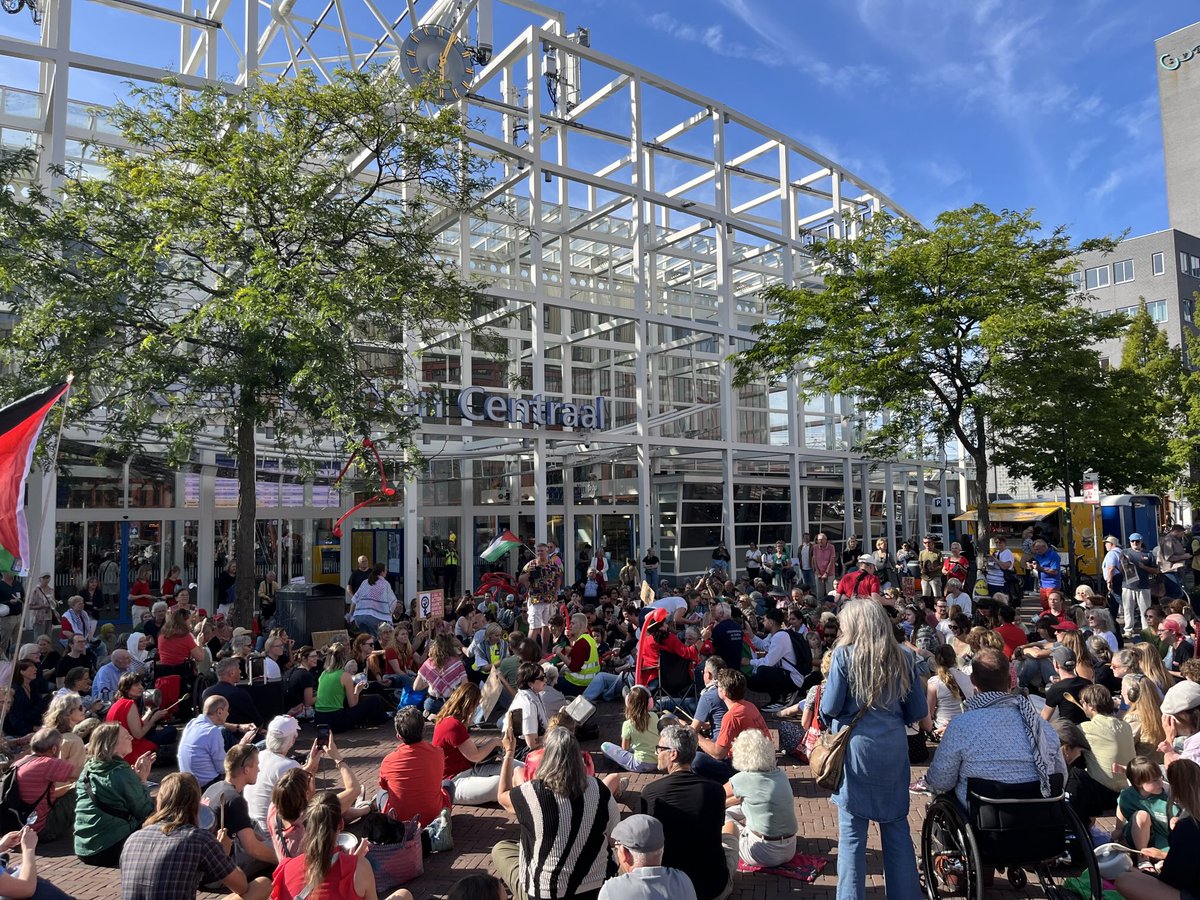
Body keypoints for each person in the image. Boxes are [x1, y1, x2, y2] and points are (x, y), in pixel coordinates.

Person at [819, 599, 926, 900]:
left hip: (855, 751)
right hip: (892, 747)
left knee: (852, 835)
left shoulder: (843, 656)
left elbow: (830, 707)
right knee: (896, 829)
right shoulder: (904, 657)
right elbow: (916, 709)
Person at [922, 648, 1067, 809]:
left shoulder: (961, 725)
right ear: (1010, 680)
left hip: (984, 814)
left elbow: (941, 780)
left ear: (973, 680)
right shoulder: (1040, 725)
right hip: (1038, 812)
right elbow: (1061, 774)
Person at [493, 726, 618, 900]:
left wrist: (509, 752)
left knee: (501, 849)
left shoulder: (531, 793)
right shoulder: (600, 790)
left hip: (544, 893)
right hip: (595, 890)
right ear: (577, 756)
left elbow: (502, 796)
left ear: (546, 757)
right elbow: (613, 837)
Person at [639, 724, 731, 900]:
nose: (657, 752)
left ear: (673, 754)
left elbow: (649, 842)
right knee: (730, 834)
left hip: (670, 887)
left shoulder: (651, 793)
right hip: (712, 887)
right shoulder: (716, 790)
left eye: (660, 749)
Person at [270, 791, 412, 900]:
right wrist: (354, 863)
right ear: (341, 824)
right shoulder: (360, 867)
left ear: (307, 827)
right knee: (404, 895)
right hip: (353, 867)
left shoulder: (285, 868)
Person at [1112, 758, 1200, 900]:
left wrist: (1163, 857)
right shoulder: (1188, 821)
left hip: (1191, 891)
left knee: (1124, 880)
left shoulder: (1187, 827)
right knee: (1133, 874)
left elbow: (1173, 879)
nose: (1161, 783)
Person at [74, 723, 155, 866]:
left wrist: (133, 779)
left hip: (83, 848)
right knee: (161, 819)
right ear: (112, 745)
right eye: (126, 736)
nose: (131, 737)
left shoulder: (88, 767)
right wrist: (142, 780)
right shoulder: (120, 771)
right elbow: (144, 810)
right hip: (109, 849)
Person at [199, 743, 277, 880]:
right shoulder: (234, 799)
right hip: (218, 873)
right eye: (256, 765)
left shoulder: (215, 787)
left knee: (255, 828)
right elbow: (252, 849)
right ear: (246, 770)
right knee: (278, 850)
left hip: (202, 865)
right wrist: (283, 859)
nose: (259, 770)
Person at [433, 682, 513, 806]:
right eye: (475, 706)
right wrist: (494, 742)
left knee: (515, 767)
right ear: (469, 704)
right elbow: (475, 756)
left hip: (470, 769)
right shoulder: (453, 725)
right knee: (500, 782)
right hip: (454, 780)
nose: (476, 710)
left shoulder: (451, 721)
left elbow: (471, 753)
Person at [242, 715, 323, 830]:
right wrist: (313, 769)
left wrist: (309, 766)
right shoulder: (288, 765)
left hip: (255, 827)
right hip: (275, 832)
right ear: (293, 739)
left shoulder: (257, 756)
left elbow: (281, 774)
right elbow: (308, 796)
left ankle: (358, 811)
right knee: (326, 808)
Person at [377, 706, 448, 828]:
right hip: (432, 817)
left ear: (399, 736)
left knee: (381, 793)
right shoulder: (438, 753)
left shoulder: (388, 760)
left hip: (399, 821)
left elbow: (384, 786)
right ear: (423, 729)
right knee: (448, 785)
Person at [694, 668, 768, 783]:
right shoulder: (750, 706)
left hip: (745, 770)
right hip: (760, 764)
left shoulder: (732, 716)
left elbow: (718, 754)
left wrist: (696, 735)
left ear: (724, 692)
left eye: (718, 686)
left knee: (696, 759)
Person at [599, 814, 698, 900]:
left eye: (617, 846)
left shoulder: (611, 890)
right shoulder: (682, 880)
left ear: (625, 853)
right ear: (661, 850)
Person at [12, 726, 80, 840]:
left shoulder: (20, 762)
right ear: (54, 749)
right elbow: (81, 774)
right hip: (40, 829)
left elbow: (46, 795)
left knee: (72, 789)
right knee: (84, 788)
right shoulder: (48, 763)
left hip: (21, 824)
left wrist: (68, 787)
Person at [1077, 683, 1135, 812]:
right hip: (1128, 787)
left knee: (1075, 773)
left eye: (1082, 702)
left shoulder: (1085, 728)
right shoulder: (1125, 726)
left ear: (1090, 706)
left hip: (1104, 792)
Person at [179, 696, 257, 788]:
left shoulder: (192, 723)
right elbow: (224, 768)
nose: (228, 713)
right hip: (207, 785)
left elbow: (218, 723)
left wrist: (238, 727)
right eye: (227, 710)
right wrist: (242, 744)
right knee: (250, 759)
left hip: (189, 782)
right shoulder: (213, 732)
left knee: (224, 731)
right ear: (219, 712)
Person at [314, 642, 387, 733]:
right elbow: (352, 704)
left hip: (319, 719)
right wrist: (357, 690)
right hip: (336, 721)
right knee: (375, 699)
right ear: (344, 658)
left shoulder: (324, 673)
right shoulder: (344, 675)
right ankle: (382, 721)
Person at [746, 607, 809, 711]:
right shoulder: (775, 635)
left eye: (765, 620)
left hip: (793, 678)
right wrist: (750, 634)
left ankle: (780, 699)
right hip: (787, 674)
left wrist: (749, 662)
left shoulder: (780, 637)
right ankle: (780, 695)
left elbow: (768, 662)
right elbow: (763, 645)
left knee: (763, 671)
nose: (763, 622)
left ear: (771, 622)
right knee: (752, 682)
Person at [106, 671, 177, 763]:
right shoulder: (129, 704)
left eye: (141, 684)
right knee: (172, 737)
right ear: (126, 688)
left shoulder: (119, 703)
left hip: (119, 750)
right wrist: (154, 718)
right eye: (136, 685)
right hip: (130, 752)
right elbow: (138, 734)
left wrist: (149, 712)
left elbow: (135, 724)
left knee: (166, 732)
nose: (141, 688)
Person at [1114, 756, 1173, 858]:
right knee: (1141, 815)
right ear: (1139, 783)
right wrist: (1118, 828)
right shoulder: (1128, 795)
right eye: (1154, 780)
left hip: (1160, 838)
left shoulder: (1166, 798)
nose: (1160, 782)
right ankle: (1142, 858)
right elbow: (1121, 806)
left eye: (1161, 777)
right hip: (1135, 833)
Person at [557, 613, 624, 701]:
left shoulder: (581, 643)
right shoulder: (589, 639)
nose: (570, 626)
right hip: (590, 681)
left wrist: (560, 654)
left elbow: (574, 667)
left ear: (580, 625)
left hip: (579, 684)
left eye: (573, 623)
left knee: (553, 682)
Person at [601, 685, 659, 773]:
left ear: (628, 702)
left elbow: (625, 748)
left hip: (639, 764)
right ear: (649, 702)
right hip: (657, 762)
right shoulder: (655, 716)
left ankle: (617, 765)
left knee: (604, 746)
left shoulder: (628, 724)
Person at [918, 644, 973, 737]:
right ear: (954, 658)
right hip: (966, 728)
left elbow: (928, 715)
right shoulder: (967, 678)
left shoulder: (934, 682)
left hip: (943, 731)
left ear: (936, 661)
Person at [413, 634, 468, 716]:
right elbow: (465, 685)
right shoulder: (456, 663)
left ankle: (431, 717)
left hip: (432, 704)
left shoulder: (428, 663)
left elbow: (416, 687)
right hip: (450, 704)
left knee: (427, 704)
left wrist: (432, 681)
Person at [1039, 644, 1093, 726]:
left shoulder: (1056, 689)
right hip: (1088, 727)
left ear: (1056, 664)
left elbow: (1044, 718)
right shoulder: (1088, 683)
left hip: (1069, 732)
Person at [1121, 533, 1159, 638]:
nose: (1134, 543)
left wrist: (1143, 567)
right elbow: (1120, 569)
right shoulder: (1125, 552)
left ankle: (1146, 630)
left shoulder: (1148, 554)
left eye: (1137, 541)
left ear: (1141, 541)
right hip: (1128, 585)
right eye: (1132, 541)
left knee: (1145, 610)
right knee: (1127, 609)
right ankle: (1128, 630)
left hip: (1143, 586)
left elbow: (1156, 570)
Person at [203, 658, 261, 726]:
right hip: (239, 734)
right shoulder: (239, 693)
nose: (240, 671)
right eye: (239, 668)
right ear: (232, 673)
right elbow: (257, 720)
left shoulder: (206, 693)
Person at [347, 563, 395, 639]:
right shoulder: (385, 584)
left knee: (365, 640)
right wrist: (389, 615)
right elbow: (393, 601)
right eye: (386, 570)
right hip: (375, 616)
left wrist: (350, 614)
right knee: (375, 641)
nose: (387, 571)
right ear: (382, 572)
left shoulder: (365, 582)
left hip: (359, 616)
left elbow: (355, 599)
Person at [6, 660, 50, 738]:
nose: (35, 669)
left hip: (32, 721)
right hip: (18, 728)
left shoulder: (32, 686)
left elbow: (37, 707)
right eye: (31, 667)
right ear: (21, 671)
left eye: (35, 667)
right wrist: (35, 728)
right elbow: (16, 719)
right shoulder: (15, 691)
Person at [1160, 680, 1200, 766]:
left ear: (1183, 715)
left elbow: (1177, 775)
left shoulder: (1195, 746)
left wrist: (1169, 743)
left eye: (1169, 720)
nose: (1167, 724)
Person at [812, 533, 838, 598]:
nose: (820, 541)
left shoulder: (831, 547)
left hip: (829, 573)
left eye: (821, 540)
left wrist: (826, 573)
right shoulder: (815, 547)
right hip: (819, 573)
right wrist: (817, 572)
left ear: (825, 540)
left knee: (830, 593)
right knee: (819, 593)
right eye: (818, 540)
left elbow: (831, 561)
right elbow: (815, 560)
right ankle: (820, 607)